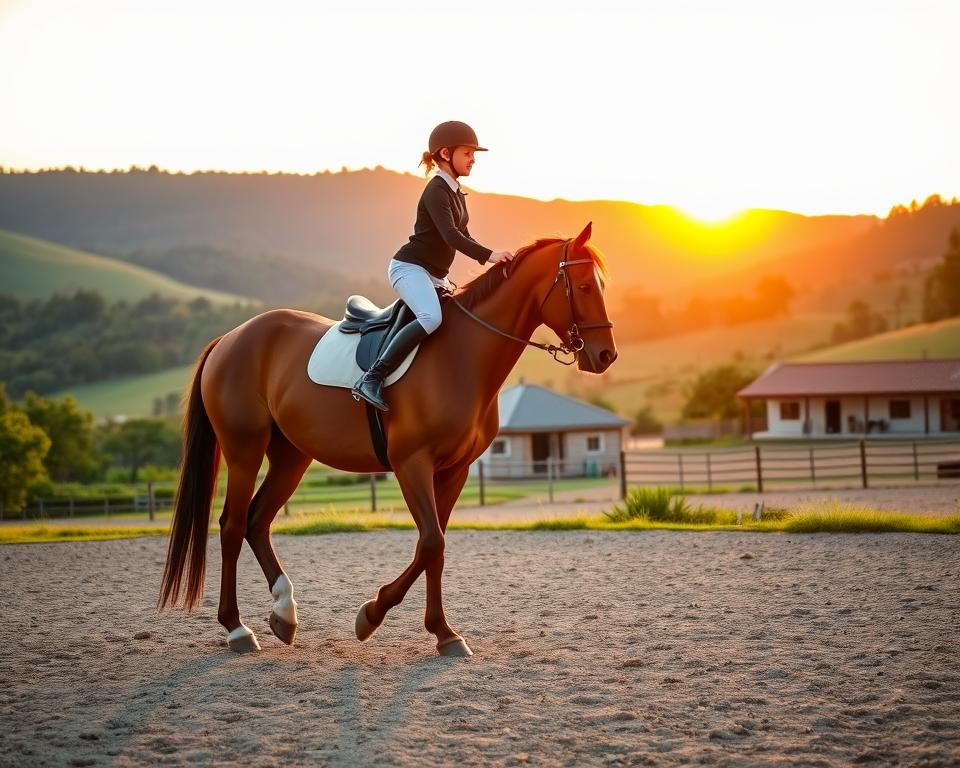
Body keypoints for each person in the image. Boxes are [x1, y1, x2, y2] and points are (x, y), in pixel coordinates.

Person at [352, 120, 513, 411]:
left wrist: (492, 259)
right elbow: (451, 236)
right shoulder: (436, 190)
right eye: (467, 153)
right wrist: (490, 255)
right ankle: (372, 378)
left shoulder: (455, 192)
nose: (473, 159)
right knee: (431, 318)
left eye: (474, 154)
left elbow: (463, 235)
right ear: (444, 154)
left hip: (434, 275)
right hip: (409, 268)